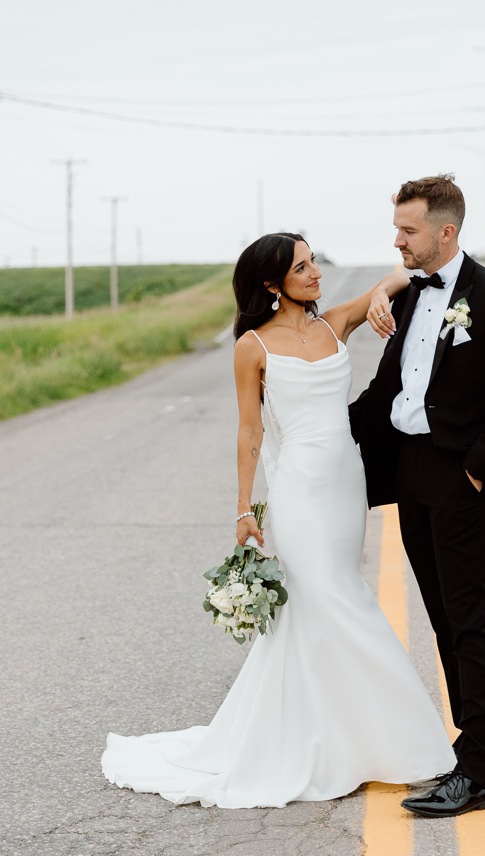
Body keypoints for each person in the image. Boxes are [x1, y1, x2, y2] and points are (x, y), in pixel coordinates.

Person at [101, 232, 454, 809]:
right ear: (271, 284)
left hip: (345, 483)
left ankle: (347, 736)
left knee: (331, 603)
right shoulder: (253, 347)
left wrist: (386, 296)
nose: (316, 273)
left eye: (314, 261)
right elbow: (249, 431)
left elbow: (387, 282)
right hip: (298, 491)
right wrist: (244, 507)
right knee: (339, 602)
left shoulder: (334, 323)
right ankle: (393, 742)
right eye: (302, 266)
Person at [350, 175, 485, 818]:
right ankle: (468, 748)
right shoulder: (406, 295)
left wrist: (479, 472)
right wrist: (320, 433)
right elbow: (388, 393)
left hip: (465, 481)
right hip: (411, 474)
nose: (397, 240)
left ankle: (482, 770)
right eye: (397, 228)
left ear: (445, 231)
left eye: (408, 230)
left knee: (469, 621)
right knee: (440, 616)